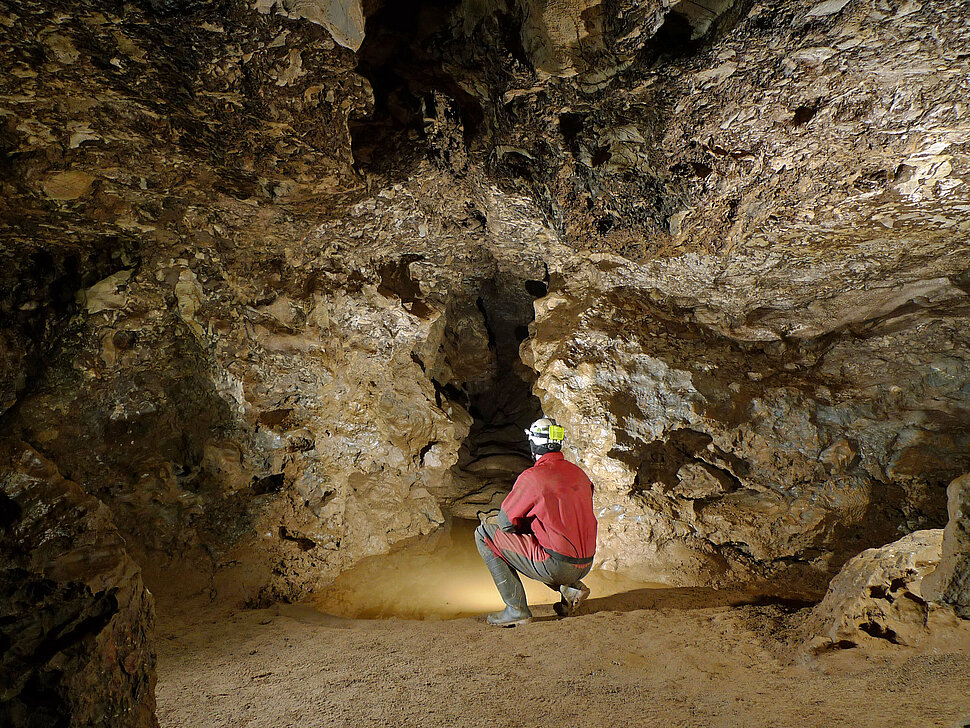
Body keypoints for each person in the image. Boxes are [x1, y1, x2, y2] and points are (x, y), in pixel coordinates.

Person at [475, 417, 597, 627]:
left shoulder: (533, 477)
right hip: (586, 563)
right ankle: (571, 589)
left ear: (532, 444)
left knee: (484, 534)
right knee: (547, 535)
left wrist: (524, 527)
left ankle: (516, 610)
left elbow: (505, 523)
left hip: (557, 565)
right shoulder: (580, 474)